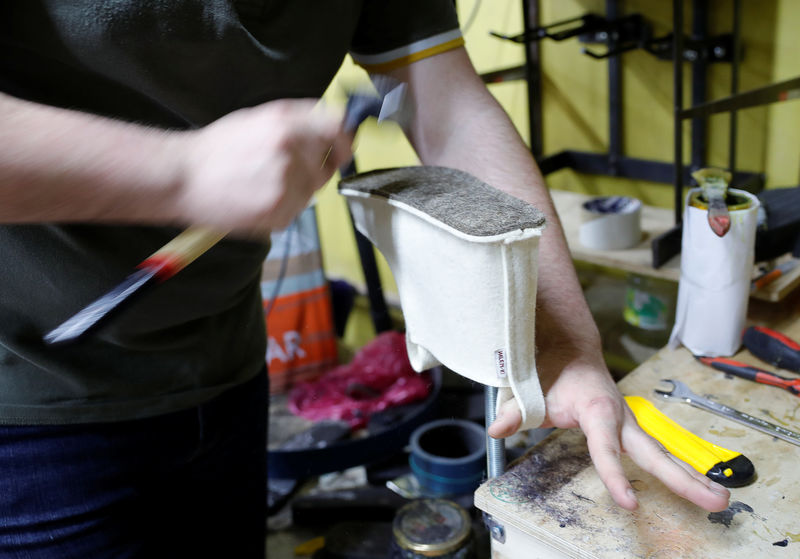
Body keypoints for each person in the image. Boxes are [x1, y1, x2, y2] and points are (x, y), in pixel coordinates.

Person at [0, 1, 729, 557]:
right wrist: (179, 173)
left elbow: (443, 100)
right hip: (28, 402)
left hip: (222, 367)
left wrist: (562, 345)